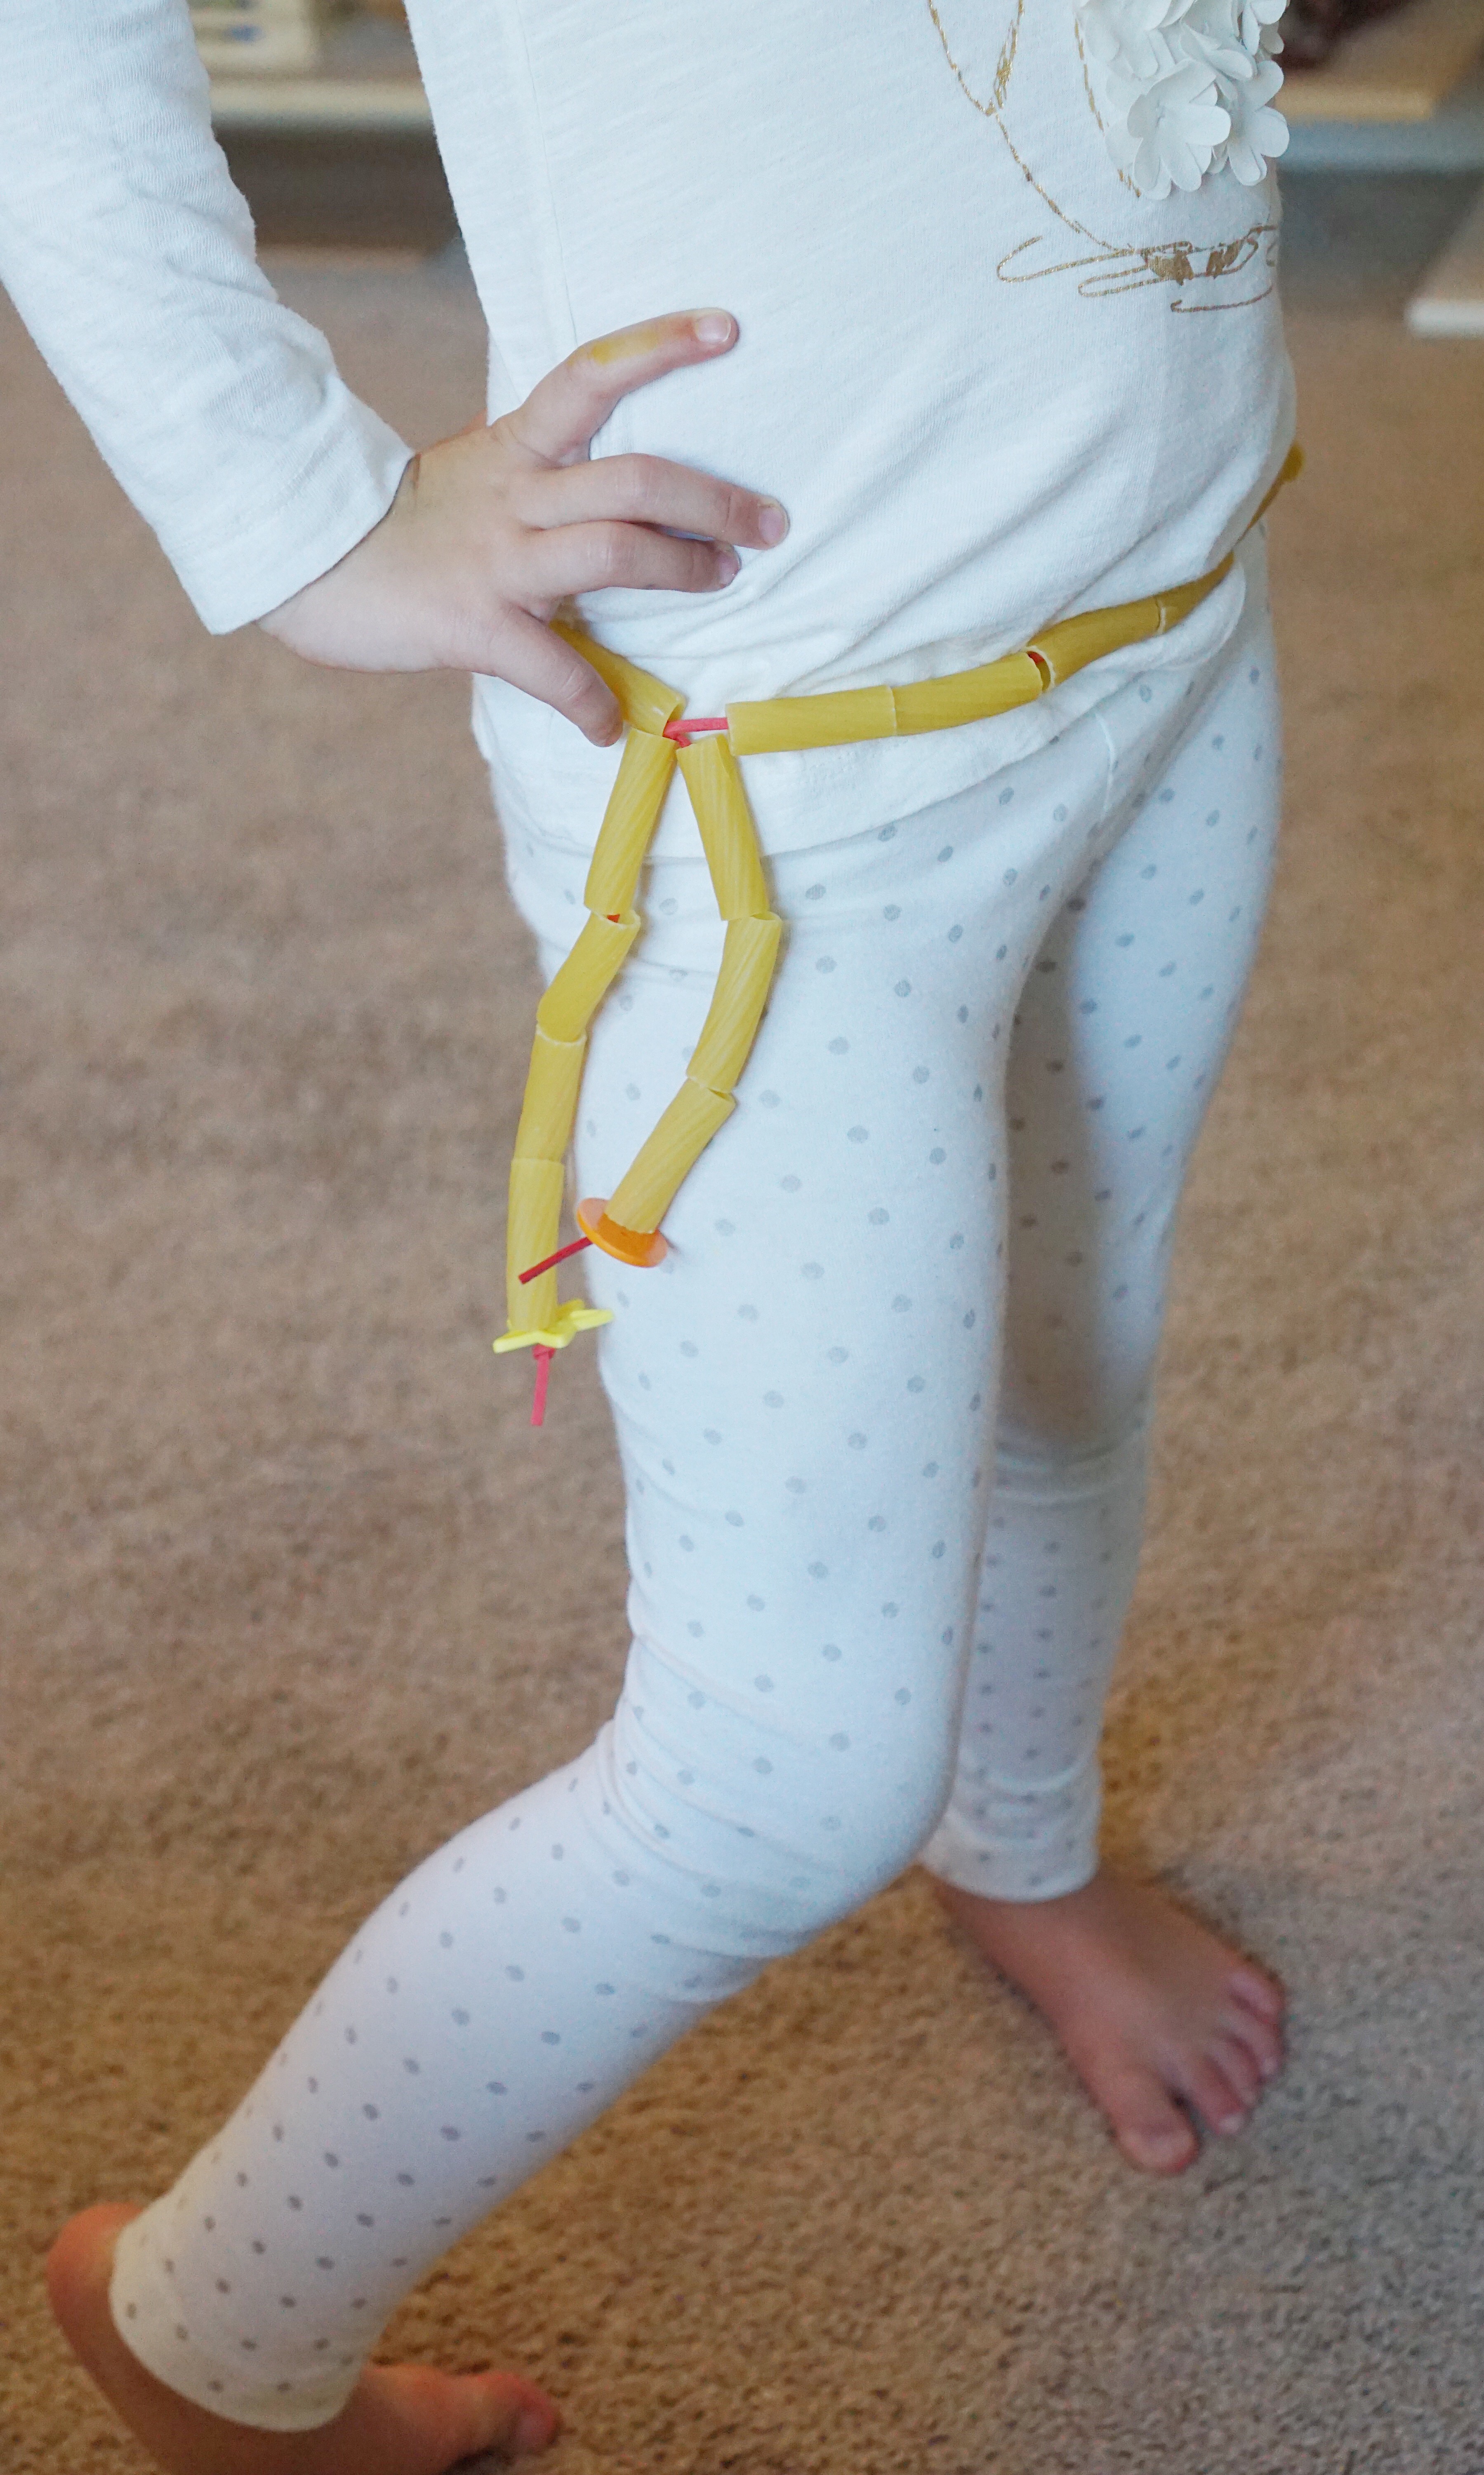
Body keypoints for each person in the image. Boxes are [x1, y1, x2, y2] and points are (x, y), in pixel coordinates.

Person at [8, 3, 1296, 2468]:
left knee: (1074, 1347)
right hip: (774, 809)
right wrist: (289, 503)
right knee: (782, 1765)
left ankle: (1020, 1845)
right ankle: (211, 2329)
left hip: (1171, 620)